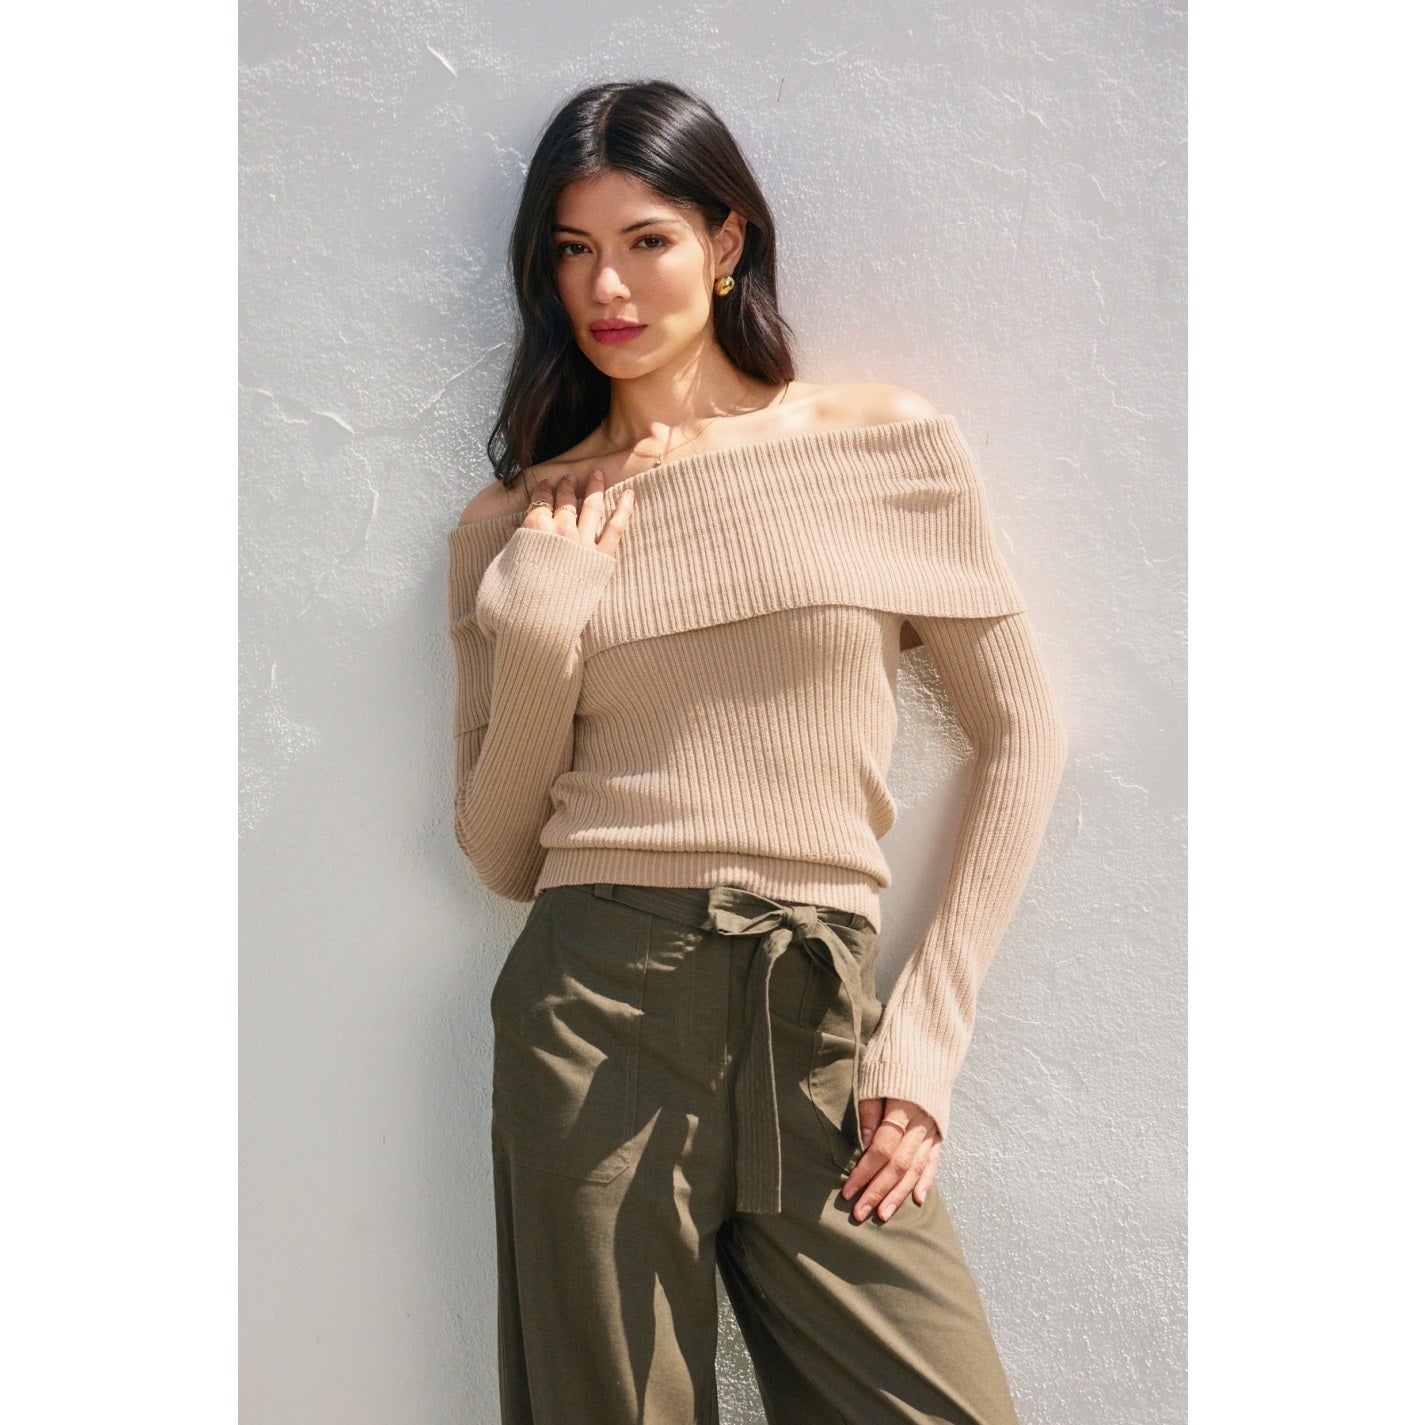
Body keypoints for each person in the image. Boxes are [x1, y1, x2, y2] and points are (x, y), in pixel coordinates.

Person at [446, 78, 1068, 1425]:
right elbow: (500, 851)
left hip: (816, 1009)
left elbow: (1024, 733)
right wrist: (541, 624)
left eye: (646, 240)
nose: (607, 286)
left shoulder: (882, 447)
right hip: (596, 1005)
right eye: (571, 248)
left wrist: (921, 1046)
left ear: (726, 241)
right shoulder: (519, 521)